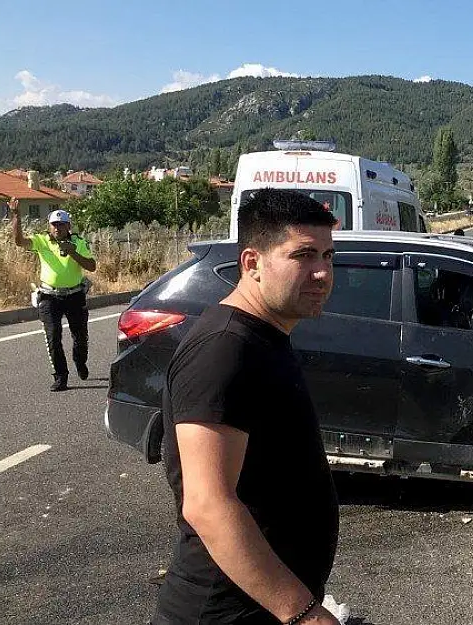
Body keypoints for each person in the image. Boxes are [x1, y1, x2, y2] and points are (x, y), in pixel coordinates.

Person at [153, 189, 342, 625]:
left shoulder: (264, 337)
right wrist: (305, 614)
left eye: (328, 257)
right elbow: (207, 503)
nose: (322, 273)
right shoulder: (224, 349)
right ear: (252, 263)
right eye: (304, 256)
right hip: (224, 613)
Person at [10, 199, 97, 391]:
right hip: (49, 296)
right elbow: (19, 242)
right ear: (49, 227)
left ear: (68, 226)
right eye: (54, 224)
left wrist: (73, 253)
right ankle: (60, 376)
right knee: (53, 335)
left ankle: (80, 361)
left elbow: (92, 266)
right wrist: (16, 215)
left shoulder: (78, 242)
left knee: (80, 337)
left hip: (75, 295)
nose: (58, 228)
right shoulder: (42, 241)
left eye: (61, 224)